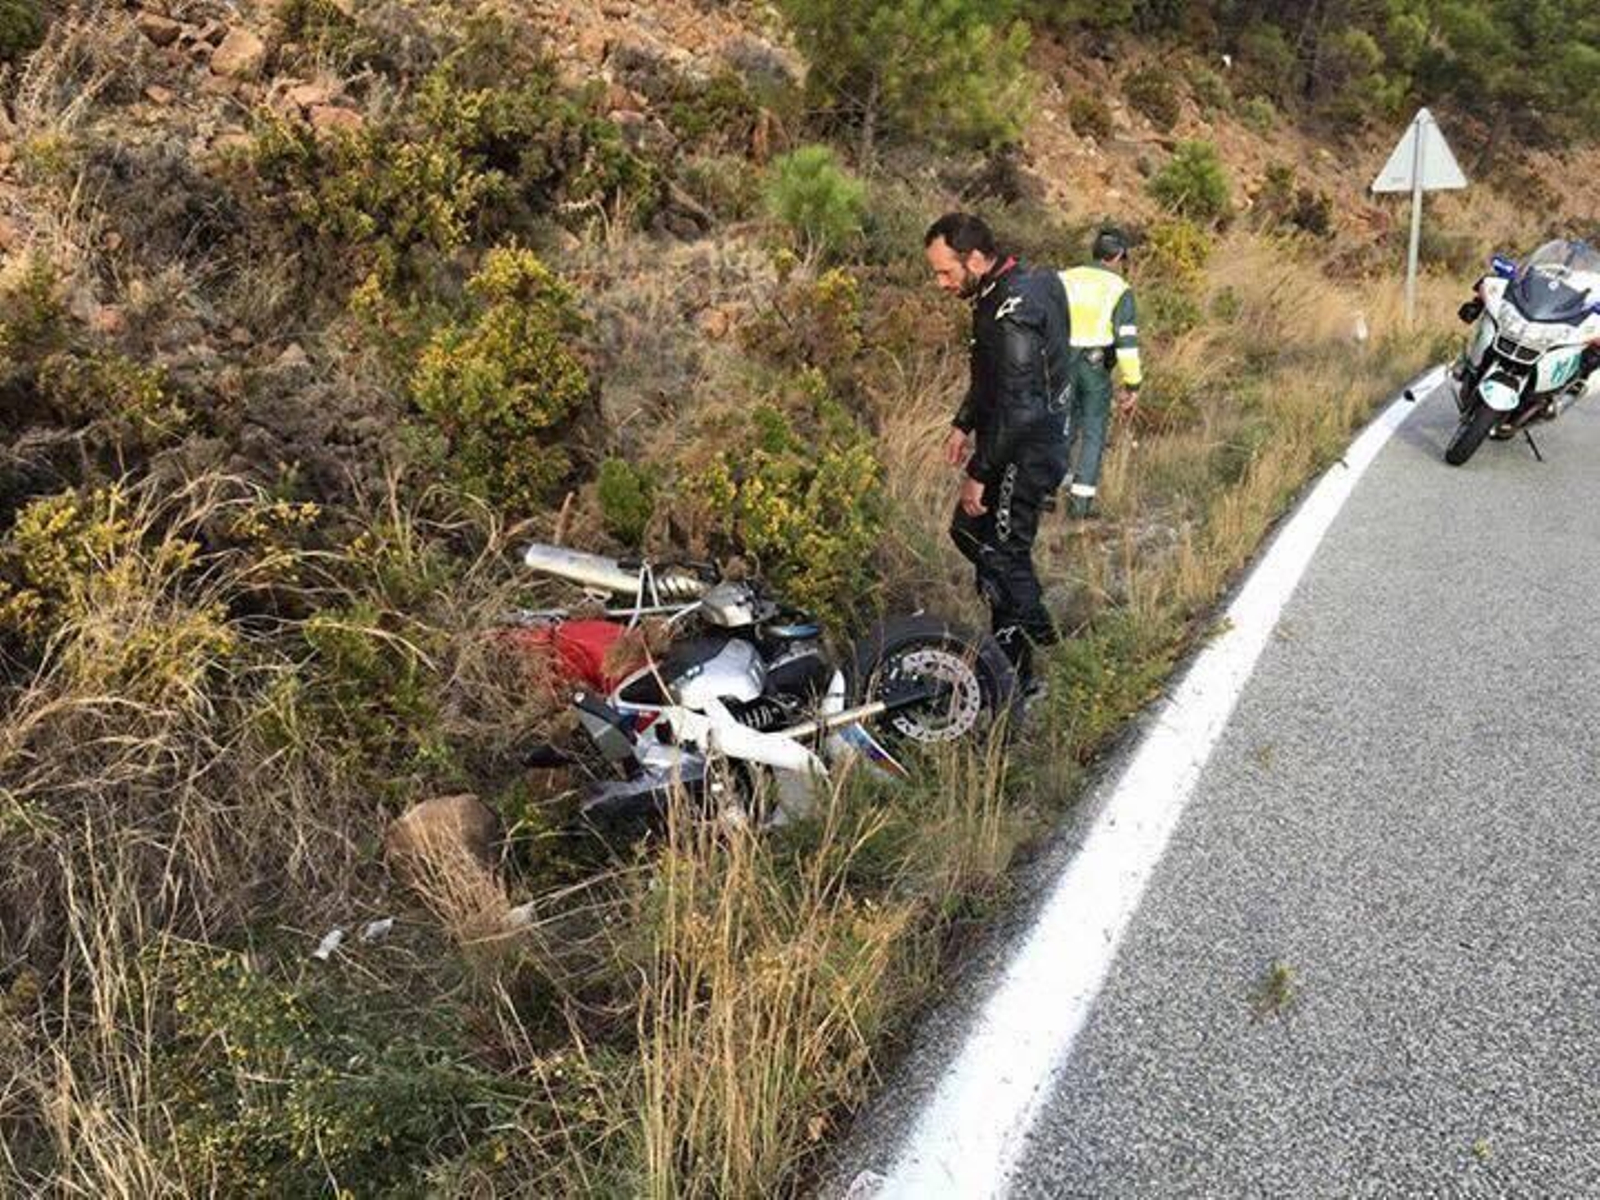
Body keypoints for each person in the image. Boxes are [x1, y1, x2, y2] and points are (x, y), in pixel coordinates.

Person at [924, 212, 1072, 690]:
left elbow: (1023, 404)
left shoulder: (1015, 307)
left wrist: (979, 470)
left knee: (1001, 555)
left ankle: (1050, 659)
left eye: (946, 271)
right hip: (1014, 439)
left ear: (974, 259)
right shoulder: (1001, 290)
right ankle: (1014, 663)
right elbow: (993, 377)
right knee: (976, 540)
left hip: (1027, 449)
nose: (940, 283)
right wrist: (963, 423)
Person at [1058, 227, 1143, 518]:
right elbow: (1127, 342)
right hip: (1094, 365)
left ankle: (1044, 491)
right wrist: (1133, 384)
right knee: (1094, 430)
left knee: (1061, 423)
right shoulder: (1120, 288)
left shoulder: (1063, 278)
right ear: (1118, 256)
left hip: (1059, 360)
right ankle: (1080, 505)